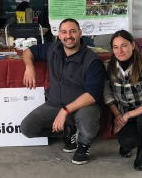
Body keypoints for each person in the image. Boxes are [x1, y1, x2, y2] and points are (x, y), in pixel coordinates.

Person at [20, 18, 105, 165]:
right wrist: (29, 67)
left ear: (80, 33)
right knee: (27, 128)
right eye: (64, 32)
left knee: (88, 117)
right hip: (54, 104)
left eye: (73, 31)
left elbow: (92, 95)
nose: (68, 36)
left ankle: (83, 146)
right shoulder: (53, 48)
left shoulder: (92, 61)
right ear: (59, 35)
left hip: (82, 106)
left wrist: (65, 111)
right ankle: (68, 131)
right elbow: (28, 52)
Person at [104, 30, 142, 171]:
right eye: (115, 47)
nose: (120, 51)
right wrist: (118, 115)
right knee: (129, 142)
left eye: (124, 45)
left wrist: (126, 116)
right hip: (123, 115)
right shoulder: (108, 67)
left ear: (133, 45)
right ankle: (129, 144)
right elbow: (107, 94)